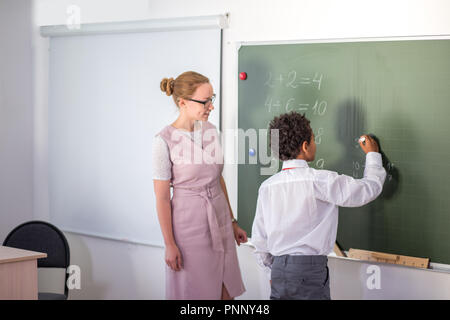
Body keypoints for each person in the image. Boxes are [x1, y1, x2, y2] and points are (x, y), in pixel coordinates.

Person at [251, 111, 386, 300]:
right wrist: (373, 156)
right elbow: (367, 190)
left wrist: (271, 273)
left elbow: (259, 240)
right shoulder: (319, 180)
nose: (316, 143)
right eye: (314, 139)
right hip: (309, 270)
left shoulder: (267, 187)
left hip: (278, 269)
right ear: (305, 146)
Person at [152, 71, 247, 300]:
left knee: (227, 291)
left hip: (220, 219)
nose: (210, 106)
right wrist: (169, 244)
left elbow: (217, 178)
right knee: (196, 293)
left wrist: (232, 221)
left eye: (211, 99)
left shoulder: (211, 131)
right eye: (205, 101)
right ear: (183, 102)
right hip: (189, 227)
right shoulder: (163, 141)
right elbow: (162, 198)